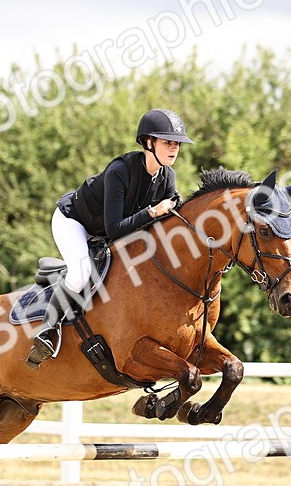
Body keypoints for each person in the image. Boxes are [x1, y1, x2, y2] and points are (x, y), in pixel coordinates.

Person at [28, 108, 194, 365]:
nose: (174, 149)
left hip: (107, 233)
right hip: (75, 221)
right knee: (81, 274)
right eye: (167, 142)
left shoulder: (167, 177)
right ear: (149, 143)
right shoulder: (120, 171)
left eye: (177, 144)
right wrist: (152, 212)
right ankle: (47, 330)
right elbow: (115, 228)